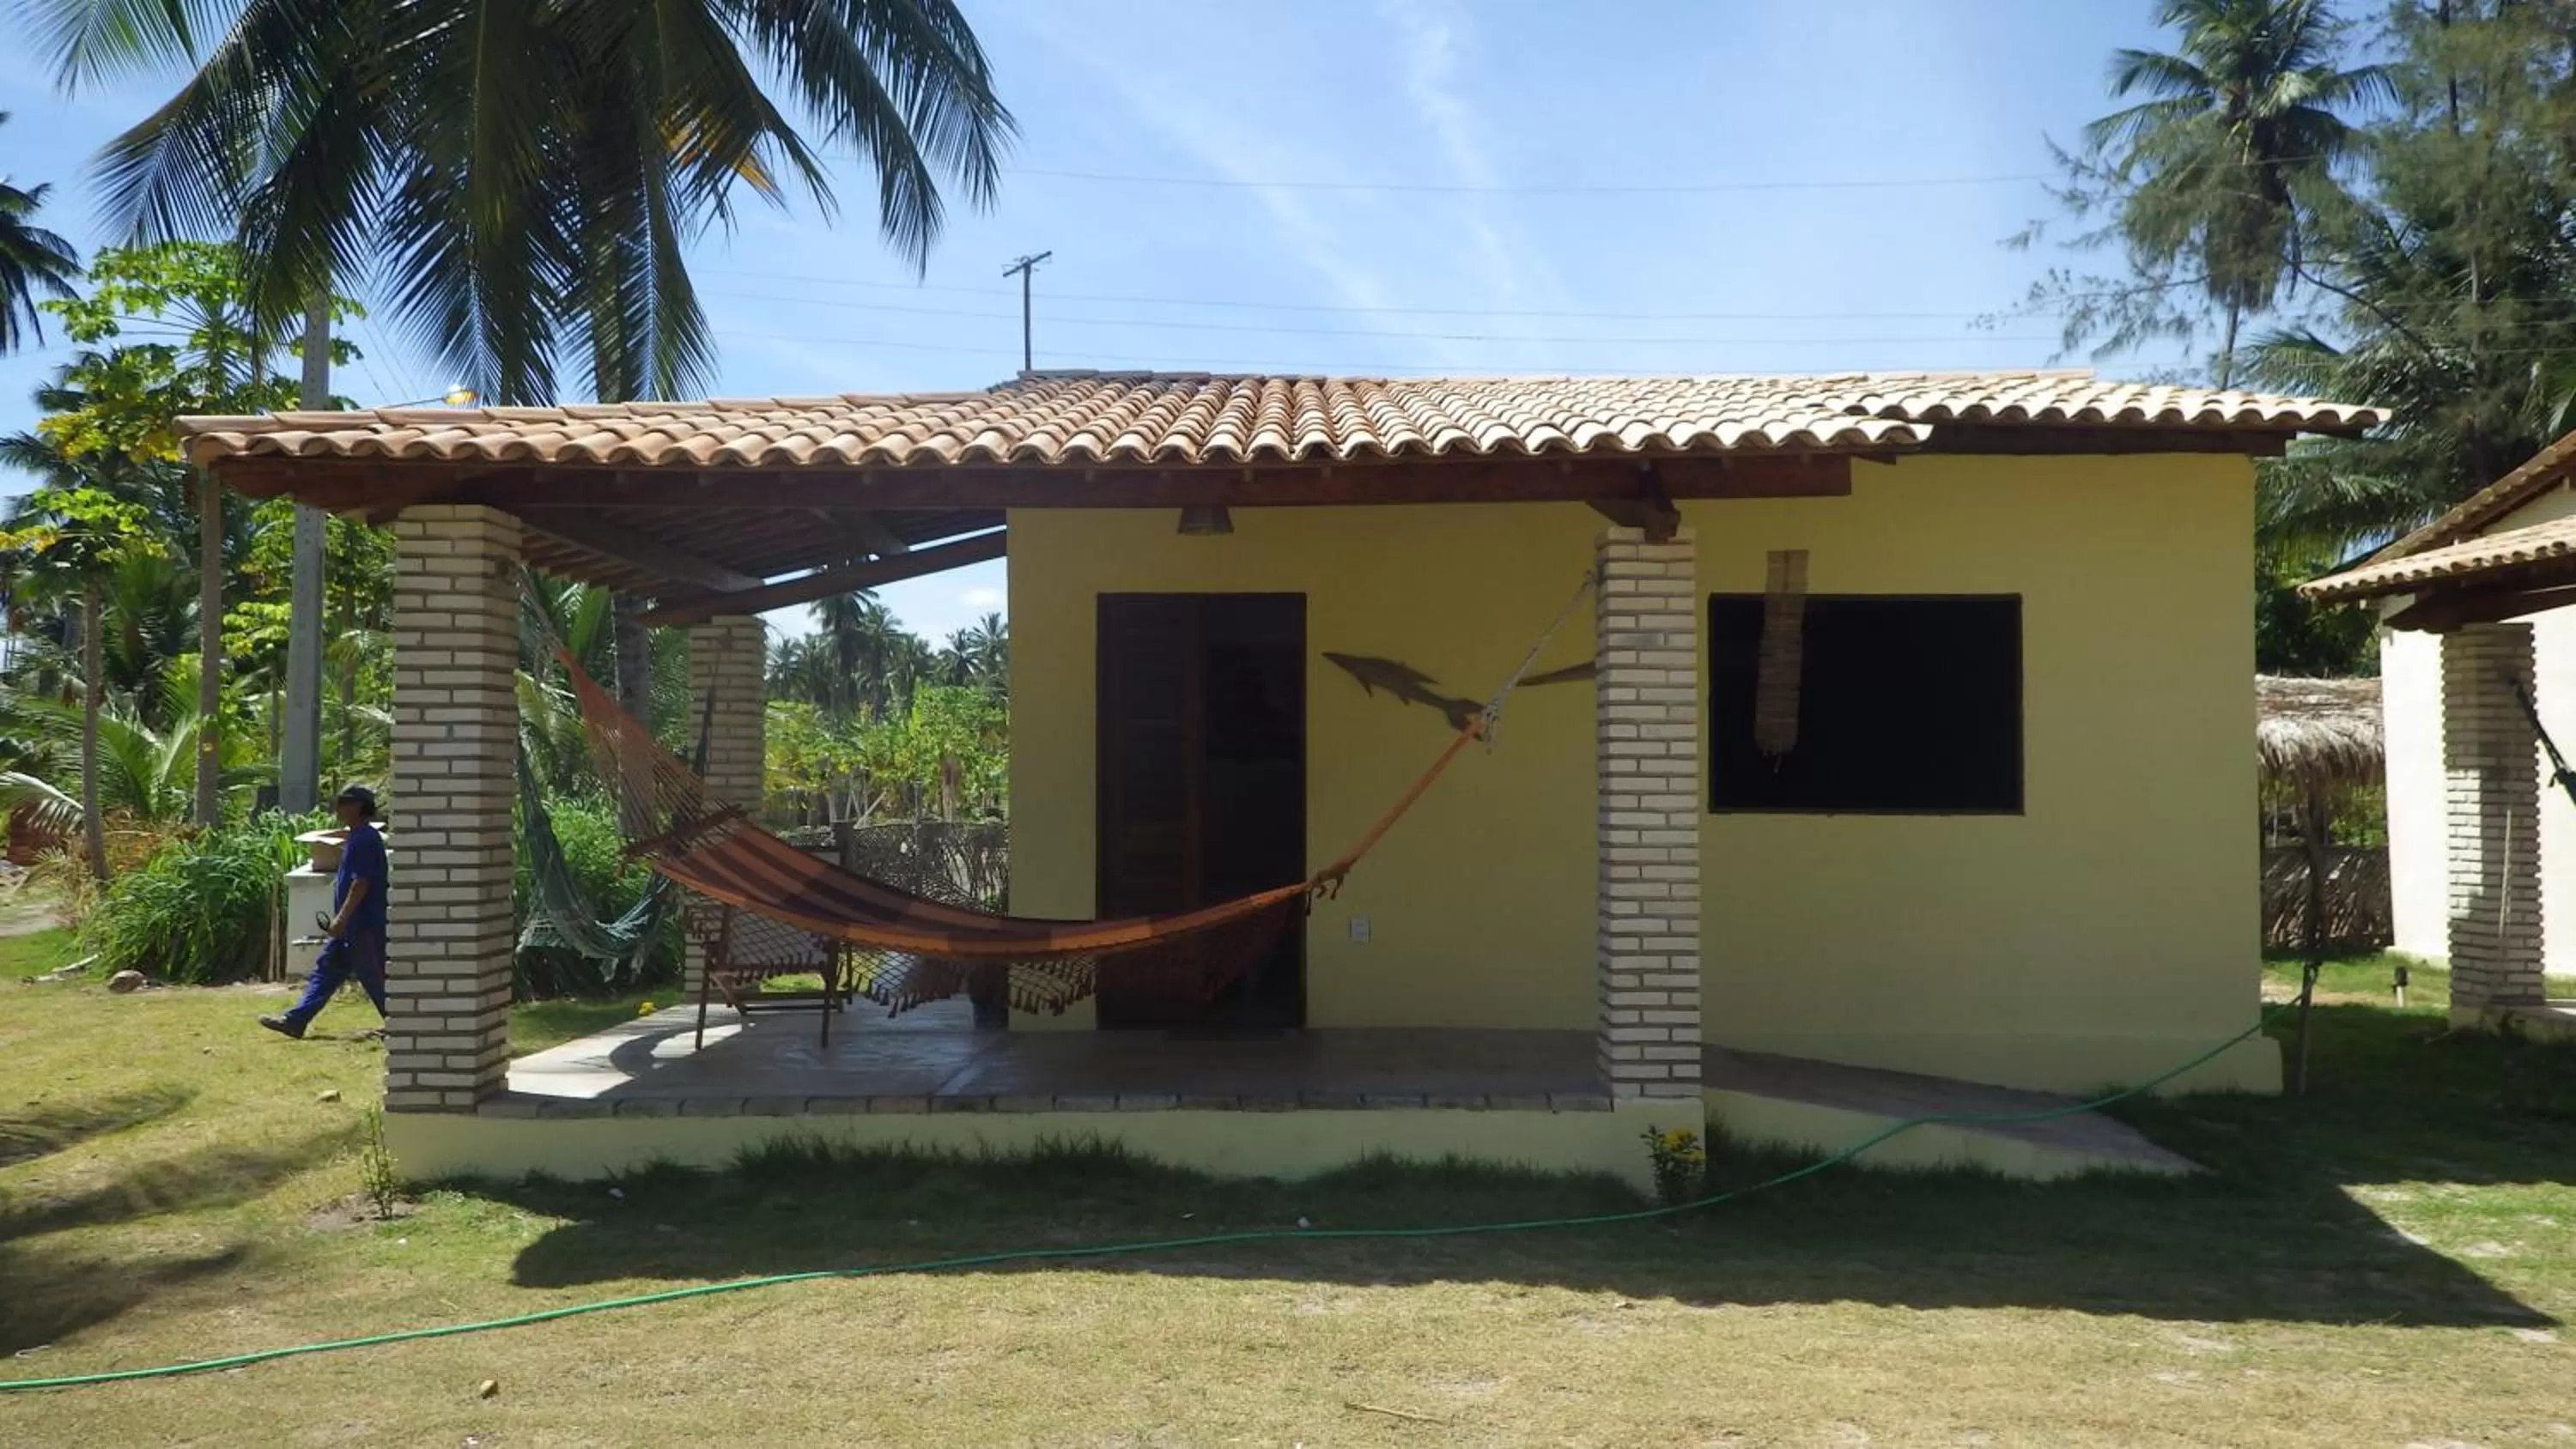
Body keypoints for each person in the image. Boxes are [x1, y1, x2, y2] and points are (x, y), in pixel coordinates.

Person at [259, 785, 389, 1040]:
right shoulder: (356, 836)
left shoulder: (365, 839)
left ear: (358, 807)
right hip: (349, 927)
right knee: (327, 970)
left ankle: (402, 1024)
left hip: (364, 925)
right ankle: (295, 1021)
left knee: (374, 976)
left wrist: (341, 918)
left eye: (343, 803)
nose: (338, 808)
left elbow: (360, 883)